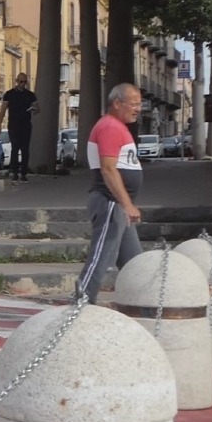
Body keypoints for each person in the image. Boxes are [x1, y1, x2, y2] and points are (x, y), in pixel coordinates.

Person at [76, 83, 143, 304]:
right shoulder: (110, 127)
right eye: (133, 103)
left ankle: (142, 303)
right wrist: (127, 203)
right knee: (101, 256)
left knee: (134, 262)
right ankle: (80, 302)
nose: (138, 108)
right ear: (116, 103)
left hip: (119, 205)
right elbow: (108, 169)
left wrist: (127, 205)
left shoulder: (118, 127)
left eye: (139, 103)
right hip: (110, 202)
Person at [0, 73, 40, 181]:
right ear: (16, 81)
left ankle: (24, 173)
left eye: (25, 82)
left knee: (25, 149)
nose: (23, 84)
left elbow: (37, 109)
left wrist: (34, 109)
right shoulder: (9, 94)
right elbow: (3, 110)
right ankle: (14, 172)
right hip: (13, 125)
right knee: (15, 148)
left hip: (26, 125)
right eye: (21, 82)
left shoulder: (30, 95)